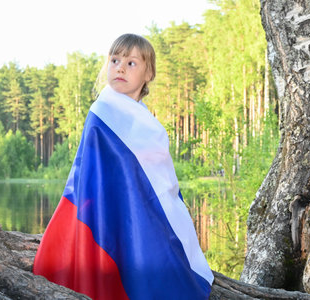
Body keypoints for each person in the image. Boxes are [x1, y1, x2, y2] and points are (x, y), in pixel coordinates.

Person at [33, 33, 214, 300]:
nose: (119, 67)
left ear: (148, 73)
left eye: (131, 63)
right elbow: (91, 173)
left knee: (167, 266)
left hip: (144, 213)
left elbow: (160, 181)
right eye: (115, 60)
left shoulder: (149, 124)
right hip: (106, 212)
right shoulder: (102, 111)